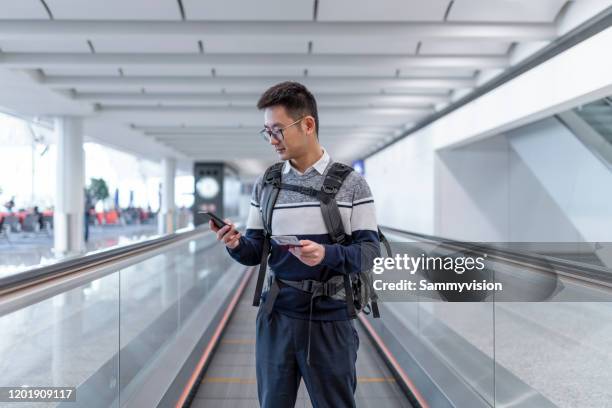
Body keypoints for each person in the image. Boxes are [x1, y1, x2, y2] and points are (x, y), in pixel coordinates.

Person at [209, 81, 380, 408]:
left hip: (331, 319)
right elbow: (254, 251)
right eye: (266, 132)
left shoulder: (352, 185)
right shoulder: (267, 184)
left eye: (278, 130)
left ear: (308, 124)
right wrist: (234, 243)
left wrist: (326, 255)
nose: (272, 140)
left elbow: (369, 252)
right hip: (278, 317)